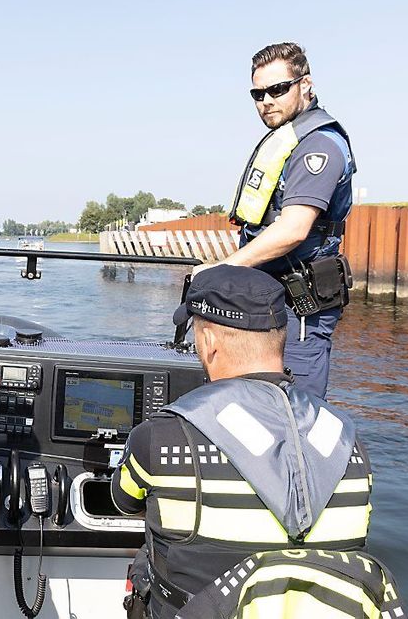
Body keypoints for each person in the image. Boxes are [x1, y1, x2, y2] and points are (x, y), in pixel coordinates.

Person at [112, 265, 375, 619]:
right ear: (280, 336)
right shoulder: (348, 440)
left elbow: (125, 502)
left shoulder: (161, 438)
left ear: (208, 343)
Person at [192, 42, 356, 400]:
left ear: (305, 85)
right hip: (266, 299)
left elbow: (294, 228)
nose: (266, 99)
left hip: (299, 312)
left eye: (278, 89)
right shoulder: (288, 140)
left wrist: (222, 269)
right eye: (258, 92)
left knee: (295, 412)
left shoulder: (319, 147)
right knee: (250, 404)